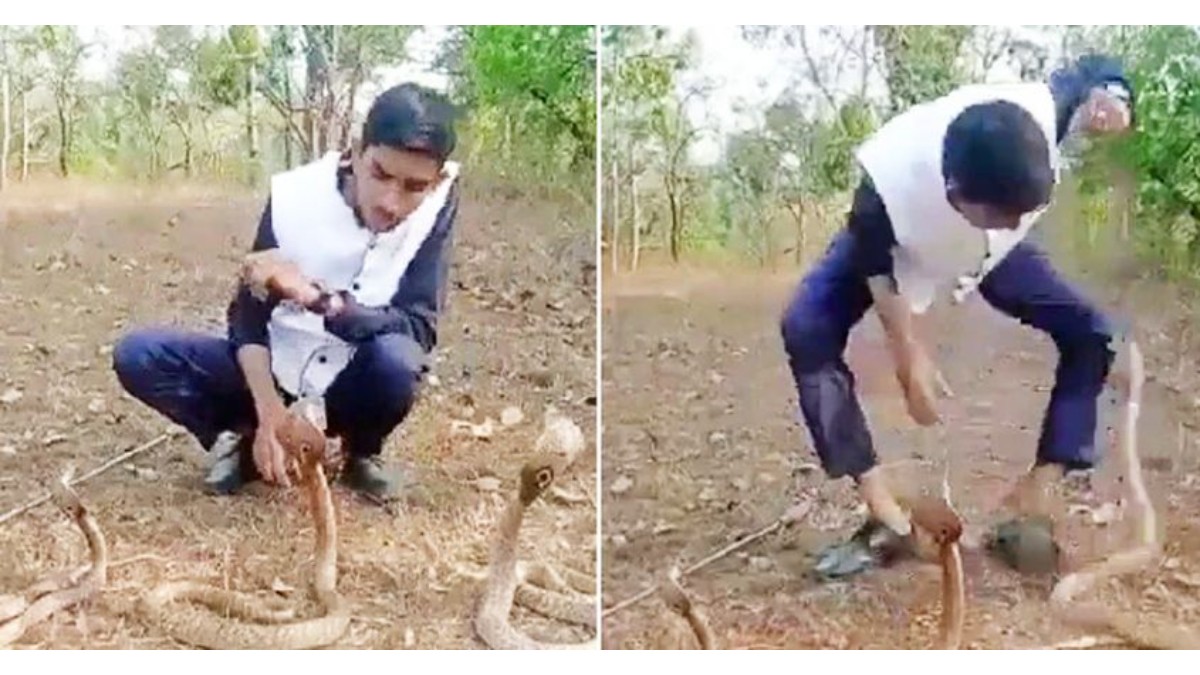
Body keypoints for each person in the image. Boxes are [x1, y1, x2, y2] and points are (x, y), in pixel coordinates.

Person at [779, 55, 1136, 573]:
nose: (1018, 220)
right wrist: (909, 356)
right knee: (806, 326)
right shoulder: (889, 180)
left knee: (1092, 334)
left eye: (1025, 212)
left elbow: (1093, 71)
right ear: (954, 194)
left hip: (990, 256)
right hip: (895, 248)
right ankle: (887, 518)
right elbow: (879, 271)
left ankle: (1034, 503)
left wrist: (1115, 93)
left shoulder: (1038, 113)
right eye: (1006, 214)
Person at [112, 82, 461, 500]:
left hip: (354, 380)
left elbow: (419, 325)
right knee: (139, 354)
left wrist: (320, 301)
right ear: (355, 152)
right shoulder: (295, 196)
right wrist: (269, 412)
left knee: (398, 359)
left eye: (414, 187)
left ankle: (362, 453)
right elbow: (247, 319)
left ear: (436, 181)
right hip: (279, 368)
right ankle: (245, 440)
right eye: (380, 174)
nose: (391, 201)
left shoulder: (440, 203)